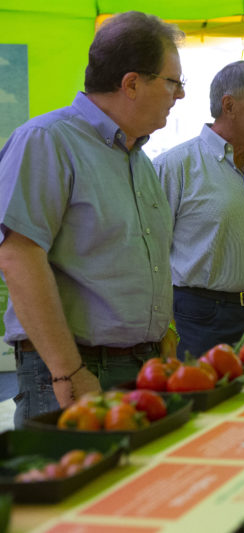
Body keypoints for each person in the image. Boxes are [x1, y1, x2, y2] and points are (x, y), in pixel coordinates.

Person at [0, 11, 183, 426]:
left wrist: (164, 332)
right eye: (173, 82)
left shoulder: (138, 158)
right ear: (132, 83)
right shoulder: (47, 140)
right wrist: (68, 372)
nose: (181, 95)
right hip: (78, 371)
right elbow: (18, 258)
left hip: (142, 366)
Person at [154, 61, 244, 358]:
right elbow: (149, 256)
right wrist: (164, 329)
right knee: (211, 403)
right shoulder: (174, 167)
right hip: (203, 320)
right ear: (229, 105)